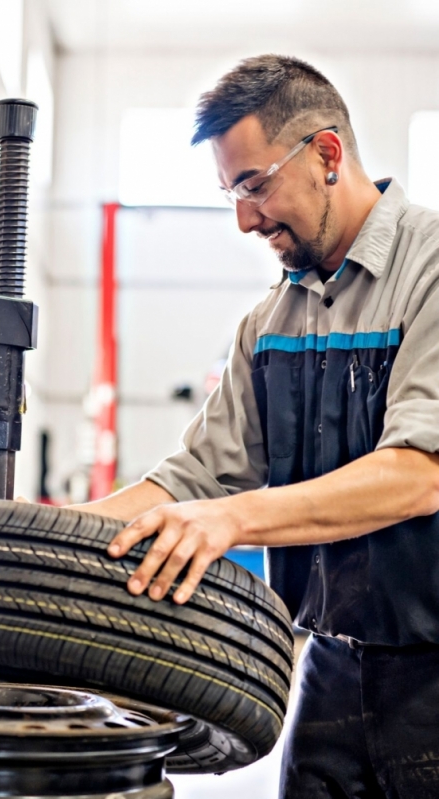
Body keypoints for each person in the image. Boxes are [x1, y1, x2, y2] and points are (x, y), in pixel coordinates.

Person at [71, 55, 439, 798]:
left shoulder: (430, 270)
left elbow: (418, 472)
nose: (244, 218)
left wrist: (228, 520)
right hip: (328, 669)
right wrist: (43, 542)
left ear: (326, 154)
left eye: (254, 184)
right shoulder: (270, 323)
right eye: (230, 192)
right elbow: (191, 479)